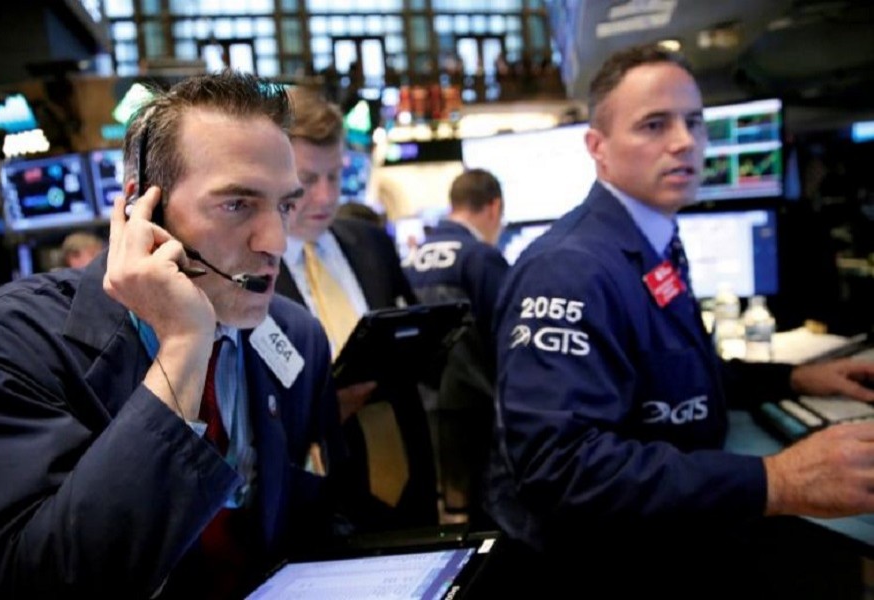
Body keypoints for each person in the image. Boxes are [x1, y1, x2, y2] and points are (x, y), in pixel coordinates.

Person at [485, 43, 874, 597]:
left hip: (668, 542)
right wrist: (777, 480)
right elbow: (564, 470)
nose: (685, 141)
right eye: (653, 125)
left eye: (694, 122)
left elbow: (676, 371)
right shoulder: (568, 270)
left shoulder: (654, 240)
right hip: (598, 570)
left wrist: (790, 379)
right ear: (597, 147)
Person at [0, 71, 348, 599]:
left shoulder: (295, 335)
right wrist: (183, 349)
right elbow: (35, 582)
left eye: (283, 206)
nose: (276, 241)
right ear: (141, 207)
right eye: (237, 204)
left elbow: (319, 526)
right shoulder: (5, 345)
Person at [275, 86, 435, 528]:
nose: (327, 198)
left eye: (335, 176)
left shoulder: (368, 243)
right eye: (307, 182)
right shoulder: (249, 276)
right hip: (321, 499)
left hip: (408, 472)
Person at [402, 168, 508, 524]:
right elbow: (507, 334)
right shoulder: (480, 256)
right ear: (494, 207)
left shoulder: (412, 258)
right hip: (473, 408)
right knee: (476, 517)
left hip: (422, 405)